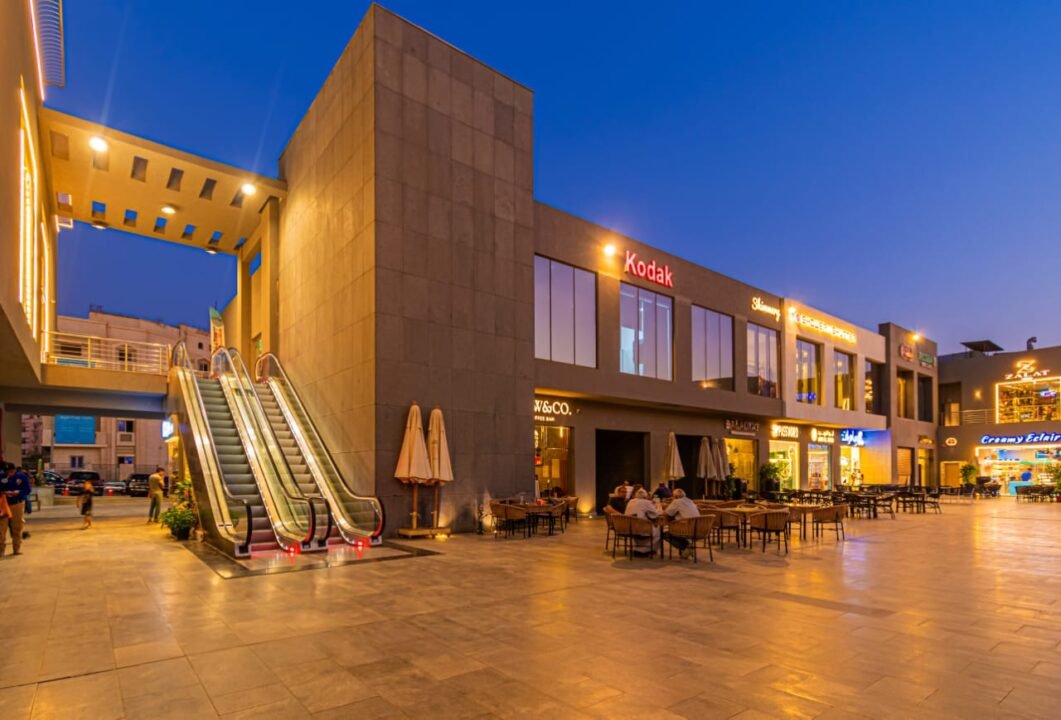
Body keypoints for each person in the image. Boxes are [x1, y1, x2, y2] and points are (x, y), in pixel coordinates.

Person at [1, 464, 31, 556]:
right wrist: (4, 492)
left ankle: (16, 549)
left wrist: (19, 492)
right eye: (7, 472)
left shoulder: (21, 477)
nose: (9, 474)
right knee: (1, 528)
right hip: (3, 505)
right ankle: (1, 551)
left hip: (17, 504)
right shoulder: (1, 477)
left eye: (11, 472)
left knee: (17, 527)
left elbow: (27, 489)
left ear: (14, 470)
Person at [663, 488, 701, 558]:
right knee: (675, 533)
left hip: (686, 528)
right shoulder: (690, 501)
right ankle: (688, 547)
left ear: (675, 497)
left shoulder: (677, 501)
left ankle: (687, 547)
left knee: (665, 534)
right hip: (699, 528)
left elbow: (667, 513)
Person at [623, 488, 660, 555]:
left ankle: (637, 548)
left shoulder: (631, 501)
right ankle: (646, 550)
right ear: (646, 496)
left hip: (628, 527)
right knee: (657, 529)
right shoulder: (646, 502)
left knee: (645, 527)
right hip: (641, 527)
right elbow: (654, 515)